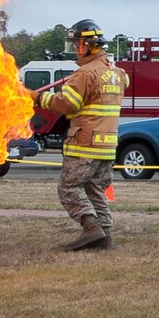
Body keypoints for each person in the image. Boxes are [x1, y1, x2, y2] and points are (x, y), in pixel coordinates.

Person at [33, 19, 129, 251]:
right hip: (107, 146)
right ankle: (104, 235)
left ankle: (91, 227)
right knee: (96, 188)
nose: (75, 49)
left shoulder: (85, 75)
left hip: (85, 144)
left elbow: (66, 105)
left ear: (90, 45)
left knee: (68, 188)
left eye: (77, 44)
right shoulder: (118, 73)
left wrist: (35, 97)